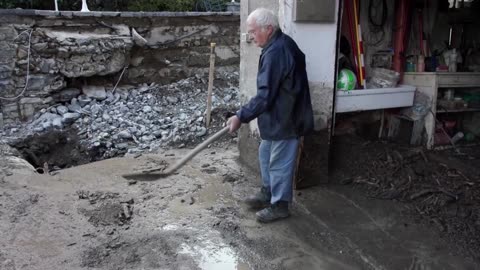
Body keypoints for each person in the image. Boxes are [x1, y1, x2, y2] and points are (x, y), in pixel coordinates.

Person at [226, 8, 314, 223]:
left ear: (268, 29)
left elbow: (265, 94)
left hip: (287, 119)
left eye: (253, 31)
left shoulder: (277, 52)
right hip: (277, 116)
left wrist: (240, 116)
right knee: (265, 155)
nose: (251, 36)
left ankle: (280, 206)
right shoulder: (276, 45)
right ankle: (268, 193)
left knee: (279, 164)